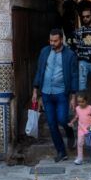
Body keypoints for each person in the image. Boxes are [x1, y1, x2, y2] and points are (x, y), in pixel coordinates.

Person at [31, 29, 79, 163]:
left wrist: (73, 96)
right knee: (52, 124)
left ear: (61, 40)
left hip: (61, 93)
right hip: (46, 93)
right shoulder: (44, 51)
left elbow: (74, 75)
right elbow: (39, 70)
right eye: (50, 40)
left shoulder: (70, 55)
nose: (52, 43)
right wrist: (35, 90)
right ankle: (61, 152)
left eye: (55, 41)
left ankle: (69, 132)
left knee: (62, 119)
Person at [68, 93, 91, 165]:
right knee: (79, 143)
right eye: (79, 102)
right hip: (81, 129)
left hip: (90, 129)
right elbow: (76, 116)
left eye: (82, 101)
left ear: (86, 101)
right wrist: (71, 122)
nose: (80, 103)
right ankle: (79, 158)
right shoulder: (77, 108)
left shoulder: (90, 108)